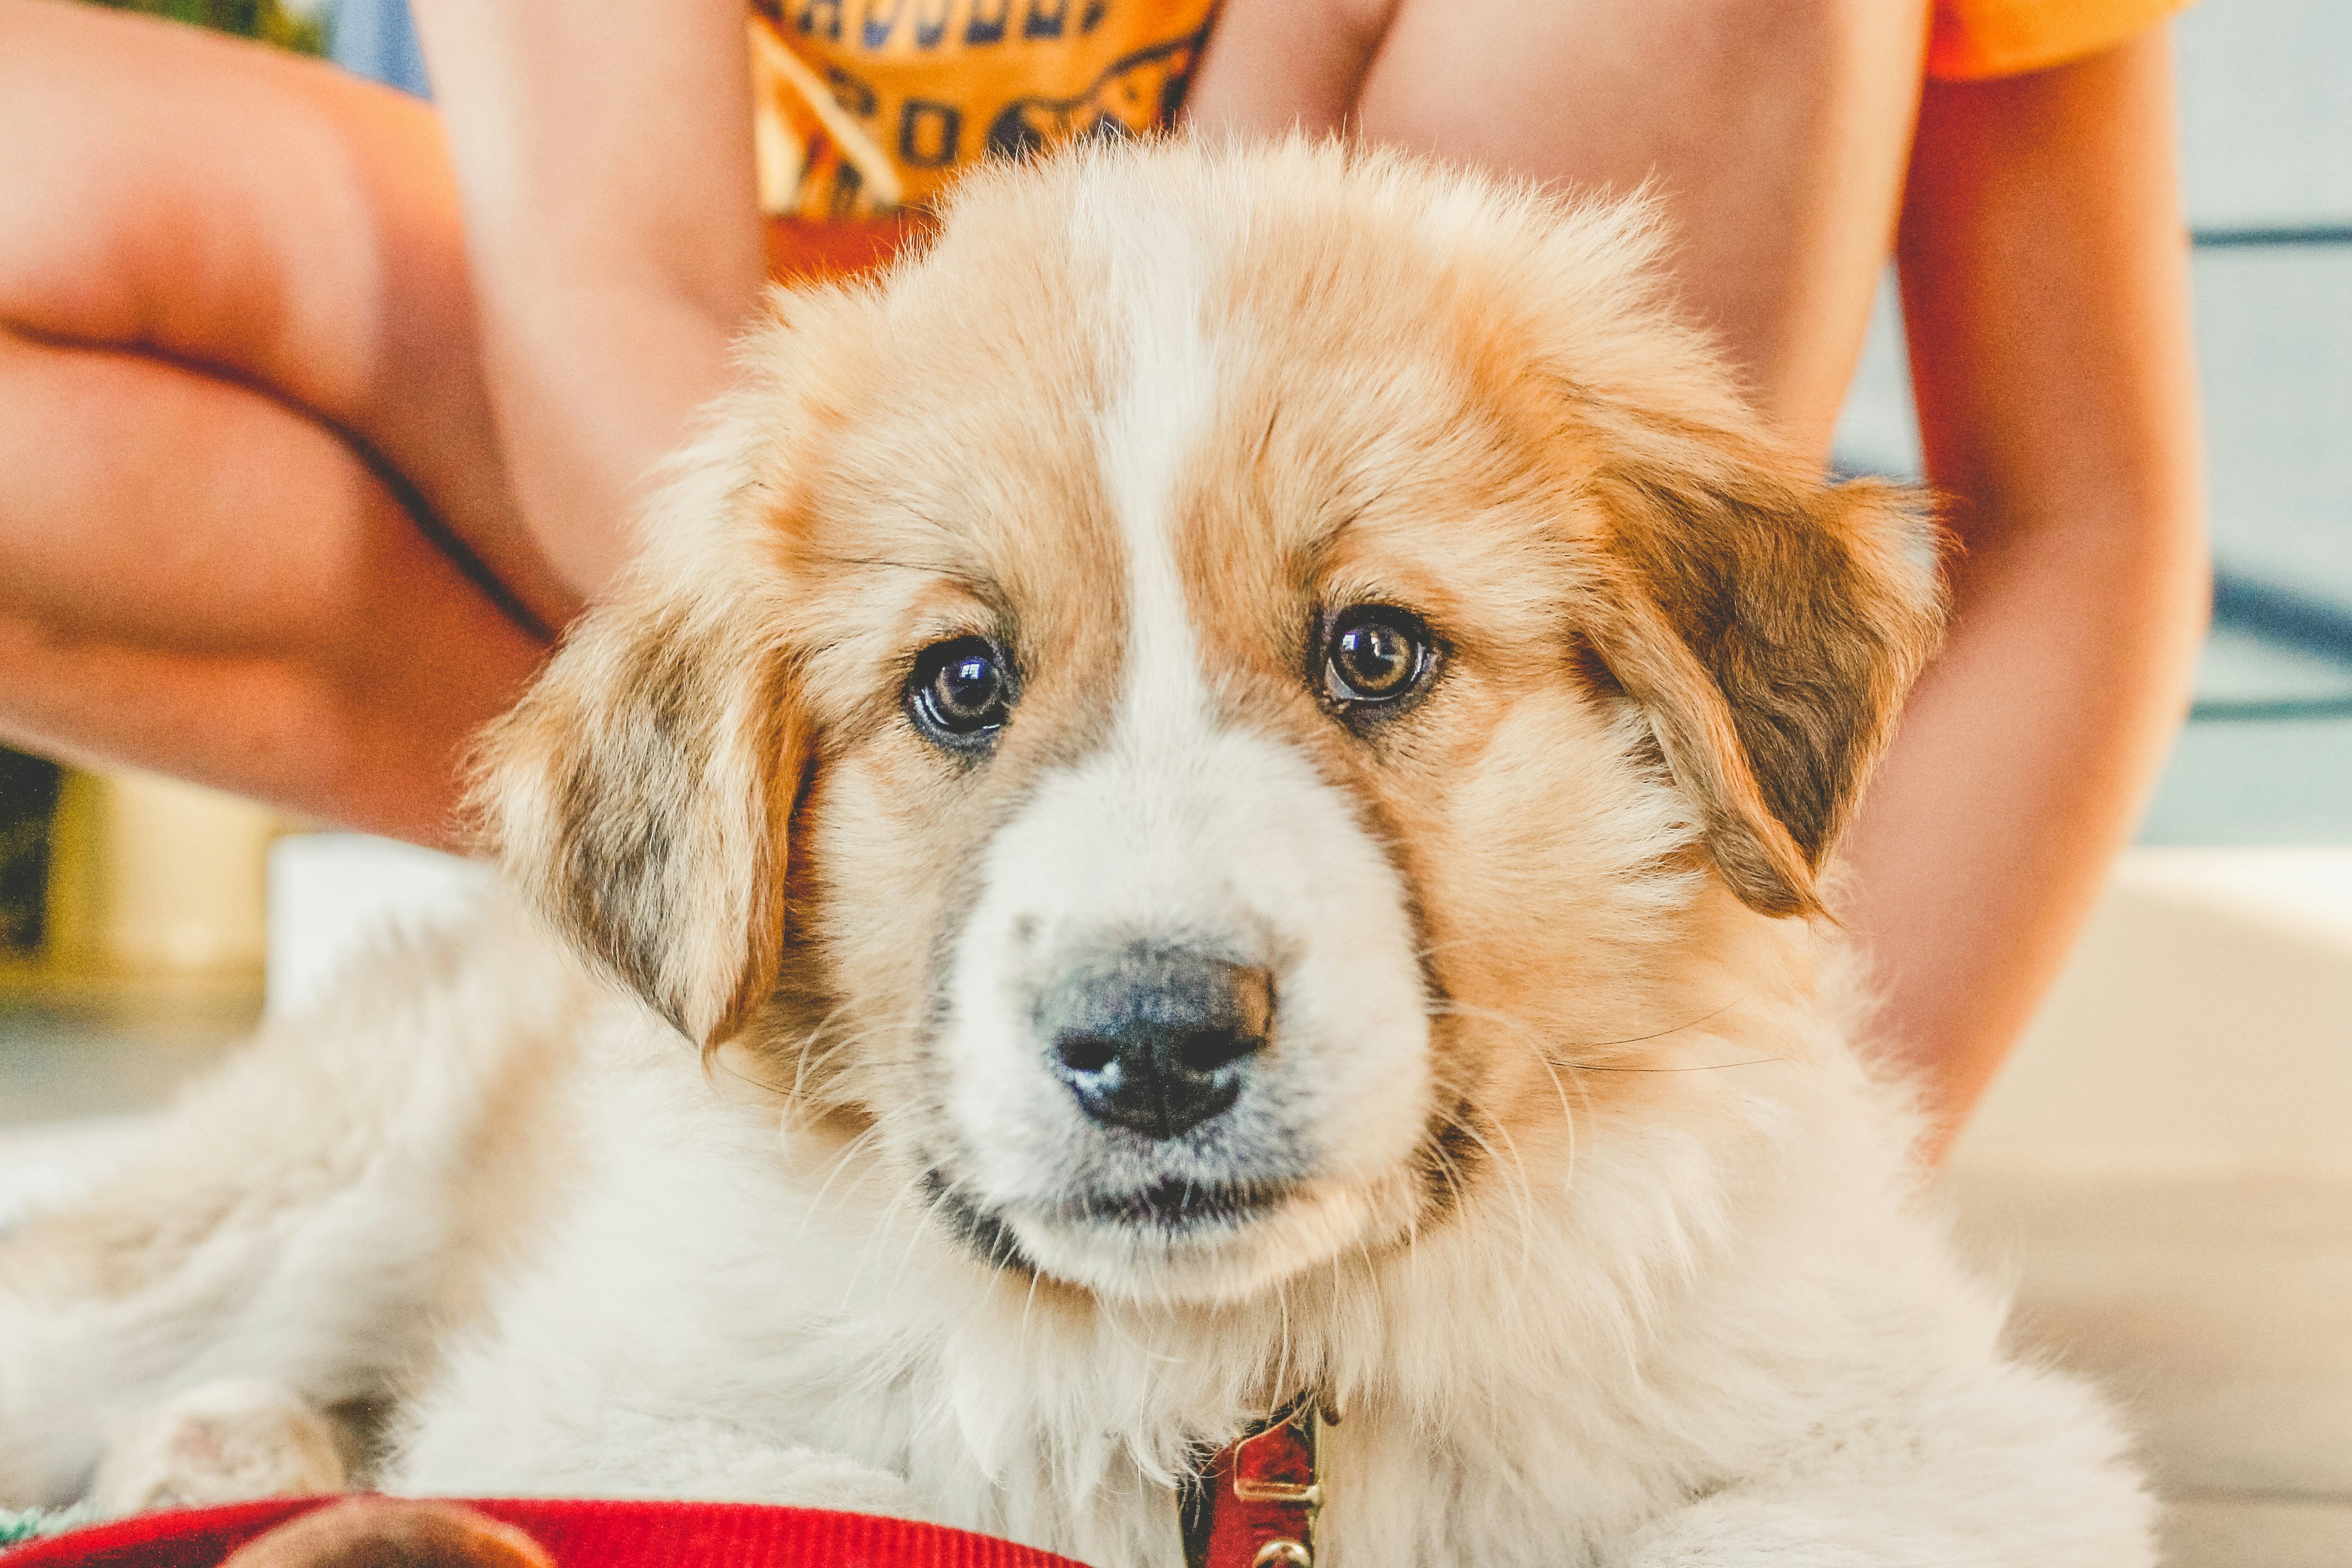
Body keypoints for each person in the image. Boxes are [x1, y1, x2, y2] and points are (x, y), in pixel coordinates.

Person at [0, 0, 2208, 1153]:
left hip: (1376, 494)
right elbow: (613, 372)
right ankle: (805, 996)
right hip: (785, 522)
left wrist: (1786, 1204)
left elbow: (2087, 520)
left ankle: (1472, 1105)